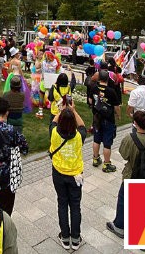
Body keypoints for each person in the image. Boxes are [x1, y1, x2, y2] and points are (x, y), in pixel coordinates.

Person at [107, 110, 145, 240]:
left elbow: (124, 154)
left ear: (135, 123)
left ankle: (119, 226)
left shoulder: (130, 138)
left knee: (124, 200)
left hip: (131, 175)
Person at [49, 98, 86, 250]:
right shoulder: (79, 136)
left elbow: (54, 122)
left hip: (58, 173)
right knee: (75, 206)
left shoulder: (54, 134)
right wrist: (73, 110)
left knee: (62, 203)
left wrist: (63, 110)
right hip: (75, 175)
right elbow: (82, 125)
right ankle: (75, 238)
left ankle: (65, 237)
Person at [89, 70, 122, 172]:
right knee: (107, 143)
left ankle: (95, 159)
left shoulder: (93, 88)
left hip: (96, 118)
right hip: (108, 119)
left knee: (96, 139)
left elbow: (90, 101)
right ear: (108, 79)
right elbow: (116, 106)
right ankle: (106, 164)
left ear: (99, 79)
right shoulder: (111, 91)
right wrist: (118, 115)